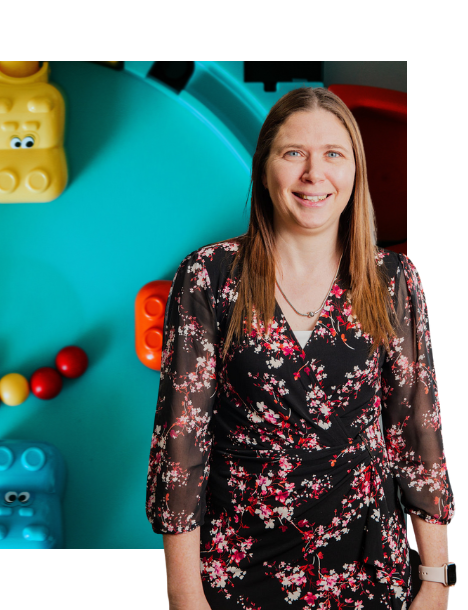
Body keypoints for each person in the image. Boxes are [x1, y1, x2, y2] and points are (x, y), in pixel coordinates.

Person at [145, 87, 454, 610]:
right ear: (264, 168)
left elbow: (416, 431)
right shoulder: (210, 276)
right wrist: (184, 592)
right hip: (235, 564)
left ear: (354, 171)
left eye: (334, 154)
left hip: (368, 563)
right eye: (294, 154)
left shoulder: (392, 279)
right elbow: (181, 444)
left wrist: (435, 579)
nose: (315, 174)